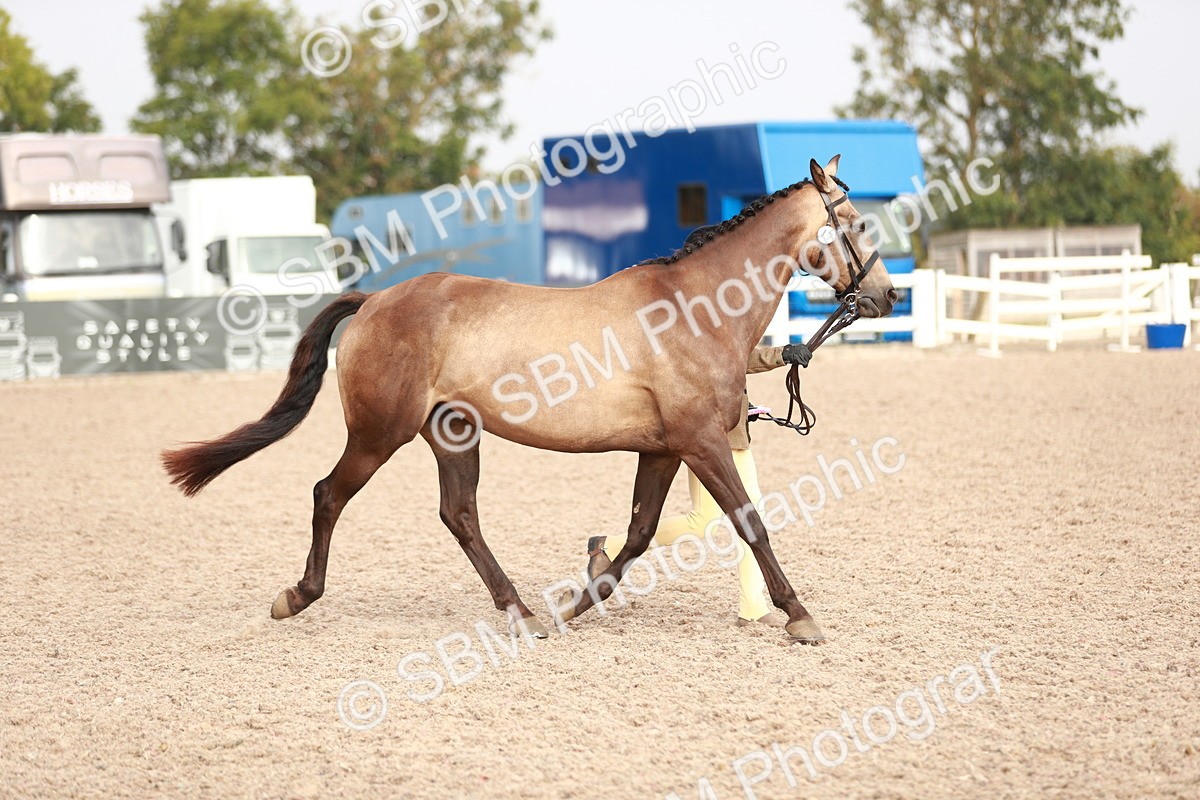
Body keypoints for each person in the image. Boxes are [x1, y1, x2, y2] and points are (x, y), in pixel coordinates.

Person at [579, 343, 809, 626]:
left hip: (727, 435)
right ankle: (610, 546)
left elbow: (730, 357)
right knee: (724, 519)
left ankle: (752, 606)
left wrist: (742, 403)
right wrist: (780, 355)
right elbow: (724, 354)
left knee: (724, 518)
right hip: (708, 439)